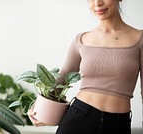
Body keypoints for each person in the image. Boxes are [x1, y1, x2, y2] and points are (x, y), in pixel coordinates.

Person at [27, 0, 143, 133]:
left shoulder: (139, 38)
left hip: (118, 124)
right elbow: (63, 77)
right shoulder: (82, 40)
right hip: (79, 117)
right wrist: (39, 109)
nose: (97, 3)